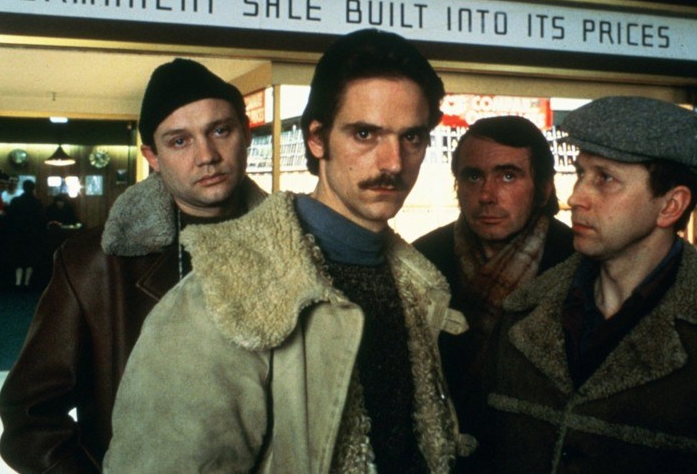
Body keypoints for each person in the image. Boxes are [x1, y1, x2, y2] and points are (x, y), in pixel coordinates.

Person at [105, 29, 473, 473]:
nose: (393, 162)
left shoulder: (417, 284)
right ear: (316, 139)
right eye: (364, 134)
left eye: (412, 137)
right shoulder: (222, 291)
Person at [0, 59, 267, 473]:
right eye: (180, 141)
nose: (207, 156)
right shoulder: (96, 264)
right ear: (152, 156)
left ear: (245, 134)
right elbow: (29, 416)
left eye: (220, 131)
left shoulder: (296, 244)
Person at [483, 97, 697, 473]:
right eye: (580, 173)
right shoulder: (524, 311)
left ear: (670, 206)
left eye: (605, 179)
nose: (576, 198)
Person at [412, 116, 574, 457]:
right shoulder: (421, 259)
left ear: (544, 188)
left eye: (508, 176)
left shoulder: (579, 263)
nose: (487, 195)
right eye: (473, 176)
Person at [5, 179, 47, 288]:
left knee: (18, 258)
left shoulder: (15, 201)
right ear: (33, 189)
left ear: (23, 188)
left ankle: (18, 282)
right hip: (32, 235)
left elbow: (9, 218)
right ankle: (27, 282)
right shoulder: (37, 203)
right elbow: (42, 221)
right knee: (30, 259)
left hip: (18, 234)